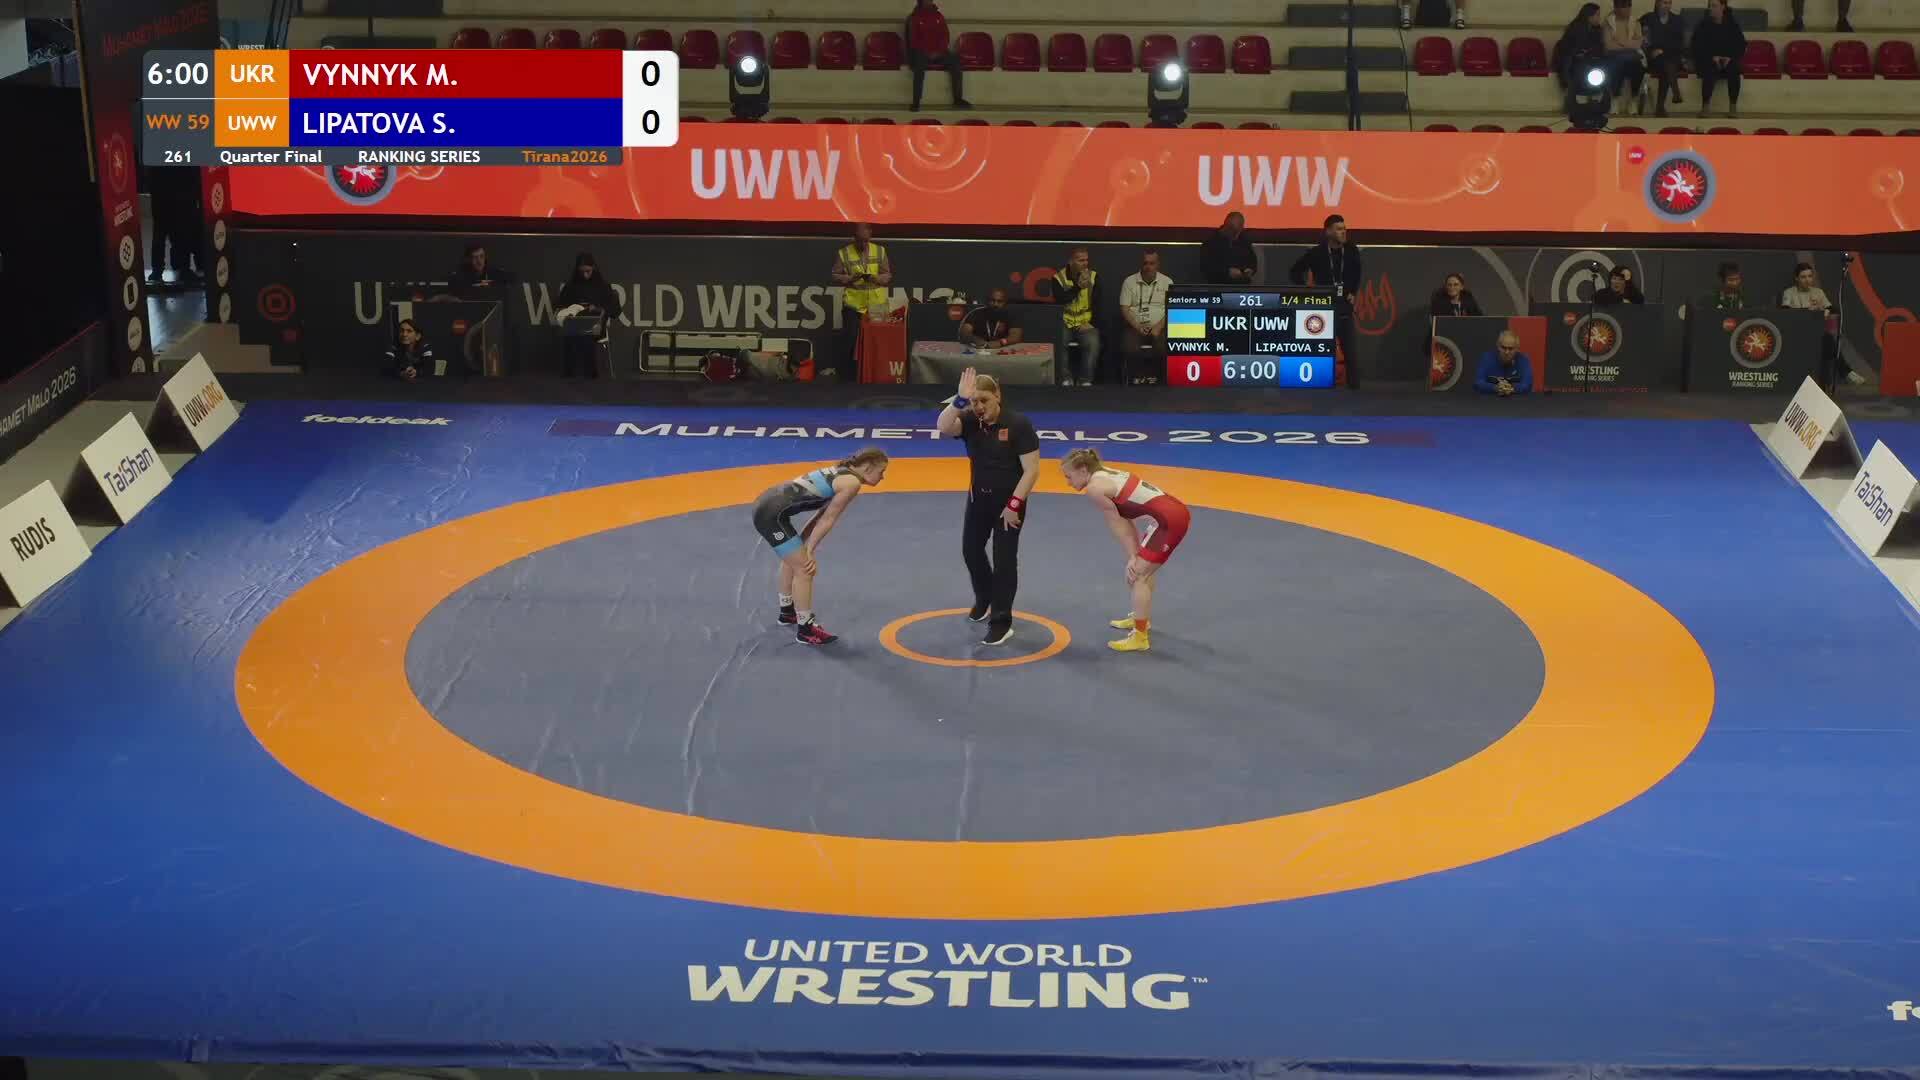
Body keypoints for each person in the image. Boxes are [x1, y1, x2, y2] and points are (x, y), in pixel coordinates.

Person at [936, 369, 1040, 646]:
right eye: (974, 402)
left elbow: (1031, 470)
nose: (979, 406)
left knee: (1004, 560)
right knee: (971, 550)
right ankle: (985, 597)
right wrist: (960, 400)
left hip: (1009, 503)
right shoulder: (971, 420)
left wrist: (1015, 505)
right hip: (978, 500)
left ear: (998, 396)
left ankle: (1001, 621)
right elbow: (943, 426)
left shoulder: (1018, 424)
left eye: (984, 400)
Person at [751, 448, 891, 646]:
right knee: (805, 569)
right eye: (881, 471)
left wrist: (804, 544)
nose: (882, 477)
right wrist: (809, 552)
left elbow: (819, 516)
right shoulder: (851, 483)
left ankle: (787, 612)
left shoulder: (842, 474)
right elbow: (827, 519)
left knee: (794, 559)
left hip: (768, 505)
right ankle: (805, 630)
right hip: (770, 515)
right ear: (867, 467)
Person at [1061, 448, 1192, 654]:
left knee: (1138, 575)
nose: (1068, 482)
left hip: (1169, 521)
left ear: (1083, 470)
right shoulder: (1105, 473)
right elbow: (1126, 518)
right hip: (1170, 514)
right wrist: (1134, 554)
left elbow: (1118, 523)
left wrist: (1133, 556)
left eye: (1069, 476)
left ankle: (1140, 637)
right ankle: (1141, 617)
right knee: (1140, 571)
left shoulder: (1095, 488)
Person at [1287, 214, 1363, 388]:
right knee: (1320, 349)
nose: (1343, 232)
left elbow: (1357, 272)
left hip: (1344, 305)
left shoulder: (1351, 250)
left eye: (1344, 229)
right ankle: (1316, 385)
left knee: (1350, 351)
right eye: (1339, 229)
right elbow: (1295, 271)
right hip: (1323, 306)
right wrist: (1307, 289)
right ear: (1328, 232)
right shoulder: (1317, 253)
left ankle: (1355, 390)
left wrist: (1352, 291)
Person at [830, 223, 893, 383]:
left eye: (866, 240)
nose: (863, 244)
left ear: (870, 236)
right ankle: (847, 378)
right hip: (853, 304)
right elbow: (835, 275)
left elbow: (887, 275)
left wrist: (876, 278)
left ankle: (878, 375)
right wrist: (850, 278)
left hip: (877, 304)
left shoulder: (880, 251)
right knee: (850, 339)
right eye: (860, 240)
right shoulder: (844, 253)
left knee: (878, 341)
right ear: (854, 238)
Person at [557, 252, 620, 378]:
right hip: (575, 328)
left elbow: (615, 311)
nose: (585, 275)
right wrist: (569, 311)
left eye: (588, 271)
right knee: (572, 335)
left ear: (594, 268)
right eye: (582, 272)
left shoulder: (603, 286)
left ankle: (592, 375)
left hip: (596, 328)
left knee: (587, 338)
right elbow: (560, 306)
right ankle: (571, 376)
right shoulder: (570, 287)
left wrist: (597, 308)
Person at [1049, 247, 1103, 386]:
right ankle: (1065, 378)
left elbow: (1098, 303)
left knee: (1093, 342)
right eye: (1081, 260)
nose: (1085, 263)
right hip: (1065, 322)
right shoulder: (1058, 278)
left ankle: (1085, 380)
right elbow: (1061, 300)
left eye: (1086, 260)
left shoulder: (1093, 277)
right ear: (1071, 261)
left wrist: (1092, 323)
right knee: (1059, 340)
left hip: (1085, 322)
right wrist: (1078, 287)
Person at [906, 0, 972, 111]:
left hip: (940, 52)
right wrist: (927, 52)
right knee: (919, 67)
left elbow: (945, 35)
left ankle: (958, 99)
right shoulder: (914, 17)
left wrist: (939, 51)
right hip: (922, 52)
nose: (929, 1)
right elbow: (913, 40)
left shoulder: (939, 16)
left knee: (955, 61)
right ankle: (916, 102)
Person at [1118, 251, 1172, 385]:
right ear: (1141, 264)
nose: (1148, 267)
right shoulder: (1129, 281)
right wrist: (1137, 326)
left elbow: (1171, 309)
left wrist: (1158, 327)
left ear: (1158, 265)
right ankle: (1135, 380)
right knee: (1129, 347)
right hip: (1134, 327)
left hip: (1159, 327)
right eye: (1145, 263)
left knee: (1166, 346)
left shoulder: (1167, 282)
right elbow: (1124, 308)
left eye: (1152, 263)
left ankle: (1160, 381)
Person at [1692, 0, 1745, 119]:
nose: (1711, 8)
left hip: (1727, 59)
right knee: (1709, 70)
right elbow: (1697, 46)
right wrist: (1712, 57)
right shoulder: (1703, 24)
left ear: (1723, 7)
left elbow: (1741, 45)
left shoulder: (1732, 24)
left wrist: (1729, 57)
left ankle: (1733, 107)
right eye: (1710, 6)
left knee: (1734, 69)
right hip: (1709, 59)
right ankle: (1705, 107)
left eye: (1714, 6)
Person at [1640, 0, 1687, 116]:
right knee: (1666, 65)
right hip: (1654, 58)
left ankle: (1662, 106)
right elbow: (1644, 40)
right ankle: (1669, 98)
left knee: (1667, 64)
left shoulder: (1677, 20)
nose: (1667, 6)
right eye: (1664, 3)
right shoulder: (1648, 18)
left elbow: (1679, 43)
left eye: (1669, 3)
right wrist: (1651, 51)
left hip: (1672, 56)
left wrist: (1663, 50)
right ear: (1657, 3)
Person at [1602, 0, 1647, 111]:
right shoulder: (1608, 23)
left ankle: (1633, 99)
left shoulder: (1635, 22)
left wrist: (1619, 41)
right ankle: (1615, 98)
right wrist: (1628, 45)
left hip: (1632, 58)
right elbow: (1609, 46)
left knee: (1639, 68)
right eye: (1624, 7)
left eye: (1629, 7)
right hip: (1613, 56)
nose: (1627, 10)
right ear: (1616, 8)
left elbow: (1638, 44)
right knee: (1616, 64)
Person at [1554, 4, 1607, 89]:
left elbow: (1599, 47)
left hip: (1589, 59)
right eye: (1597, 15)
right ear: (1589, 16)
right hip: (1572, 61)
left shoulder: (1597, 29)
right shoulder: (1575, 28)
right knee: (1580, 68)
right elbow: (1568, 51)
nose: (1599, 18)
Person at [1201, 212, 1257, 286]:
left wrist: (1250, 270)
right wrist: (1227, 272)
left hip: (1242, 285)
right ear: (1226, 226)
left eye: (1238, 231)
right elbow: (1206, 267)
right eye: (1233, 231)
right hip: (1218, 286)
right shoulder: (1211, 242)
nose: (1235, 235)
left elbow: (1252, 262)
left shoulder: (1244, 241)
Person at [1473, 331, 1534, 396]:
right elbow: (1478, 383)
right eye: (1503, 348)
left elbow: (1527, 385)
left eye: (1511, 349)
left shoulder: (1523, 360)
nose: (1507, 352)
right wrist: (1495, 388)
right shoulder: (1487, 358)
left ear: (1517, 348)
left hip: (1517, 401)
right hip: (1490, 400)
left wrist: (1511, 388)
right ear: (1498, 346)